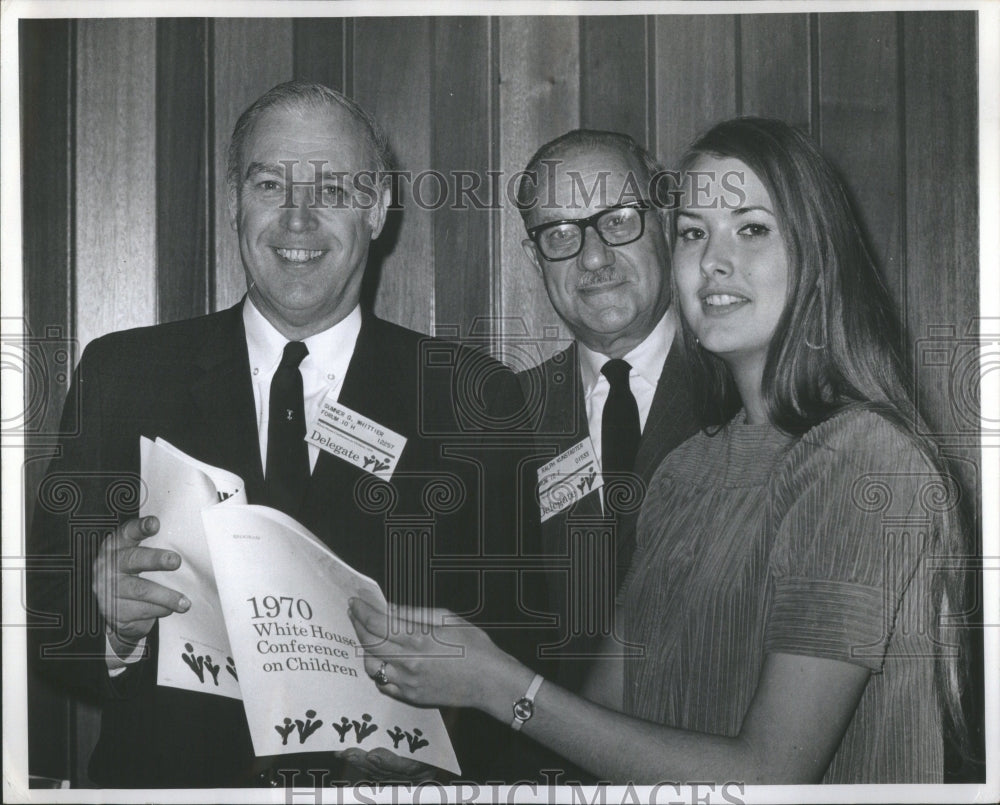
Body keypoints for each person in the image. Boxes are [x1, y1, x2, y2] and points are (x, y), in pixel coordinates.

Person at [348, 117, 970, 783]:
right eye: (696, 232)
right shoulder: (688, 470)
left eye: (751, 228)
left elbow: (768, 777)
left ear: (818, 251)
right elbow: (596, 730)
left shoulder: (862, 457)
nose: (714, 261)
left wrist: (499, 685)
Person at [27, 80, 530, 787]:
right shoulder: (124, 374)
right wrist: (110, 622)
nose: (297, 220)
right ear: (235, 199)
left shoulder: (472, 397)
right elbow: (48, 610)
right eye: (271, 184)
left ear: (378, 207)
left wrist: (439, 742)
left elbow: (520, 644)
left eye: (331, 188)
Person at [513, 130, 699, 696]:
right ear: (535, 257)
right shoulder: (504, 419)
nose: (593, 257)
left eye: (618, 219)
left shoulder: (748, 392)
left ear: (665, 220)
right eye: (561, 233)